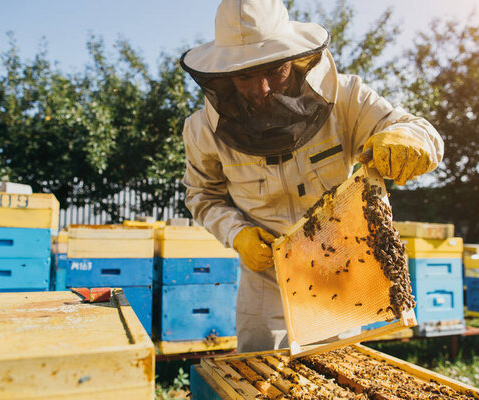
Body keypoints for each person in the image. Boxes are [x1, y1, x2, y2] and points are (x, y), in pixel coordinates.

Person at [180, 0, 443, 353]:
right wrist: (237, 233)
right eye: (245, 76)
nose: (262, 89)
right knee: (259, 372)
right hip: (266, 275)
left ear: (296, 59)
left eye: (274, 70)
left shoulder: (347, 98)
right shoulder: (201, 130)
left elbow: (418, 130)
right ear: (224, 77)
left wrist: (407, 138)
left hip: (338, 267)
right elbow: (202, 196)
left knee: (335, 375)